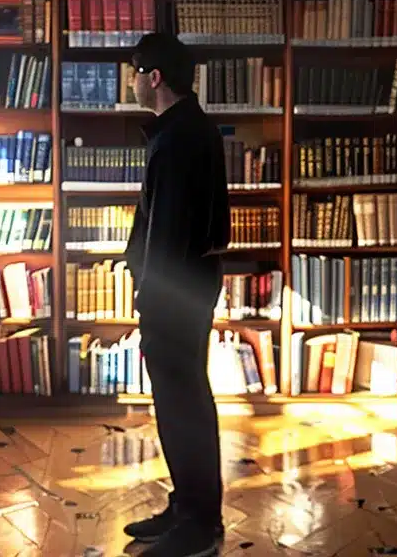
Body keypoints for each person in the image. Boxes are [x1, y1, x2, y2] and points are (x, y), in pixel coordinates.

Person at [119, 32, 230, 557]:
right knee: (181, 403)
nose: (132, 81)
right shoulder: (184, 129)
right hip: (182, 291)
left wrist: (149, 294)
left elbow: (170, 234)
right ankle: (188, 506)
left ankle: (199, 524)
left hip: (174, 296)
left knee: (183, 405)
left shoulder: (180, 138)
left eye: (135, 72)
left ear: (154, 77)